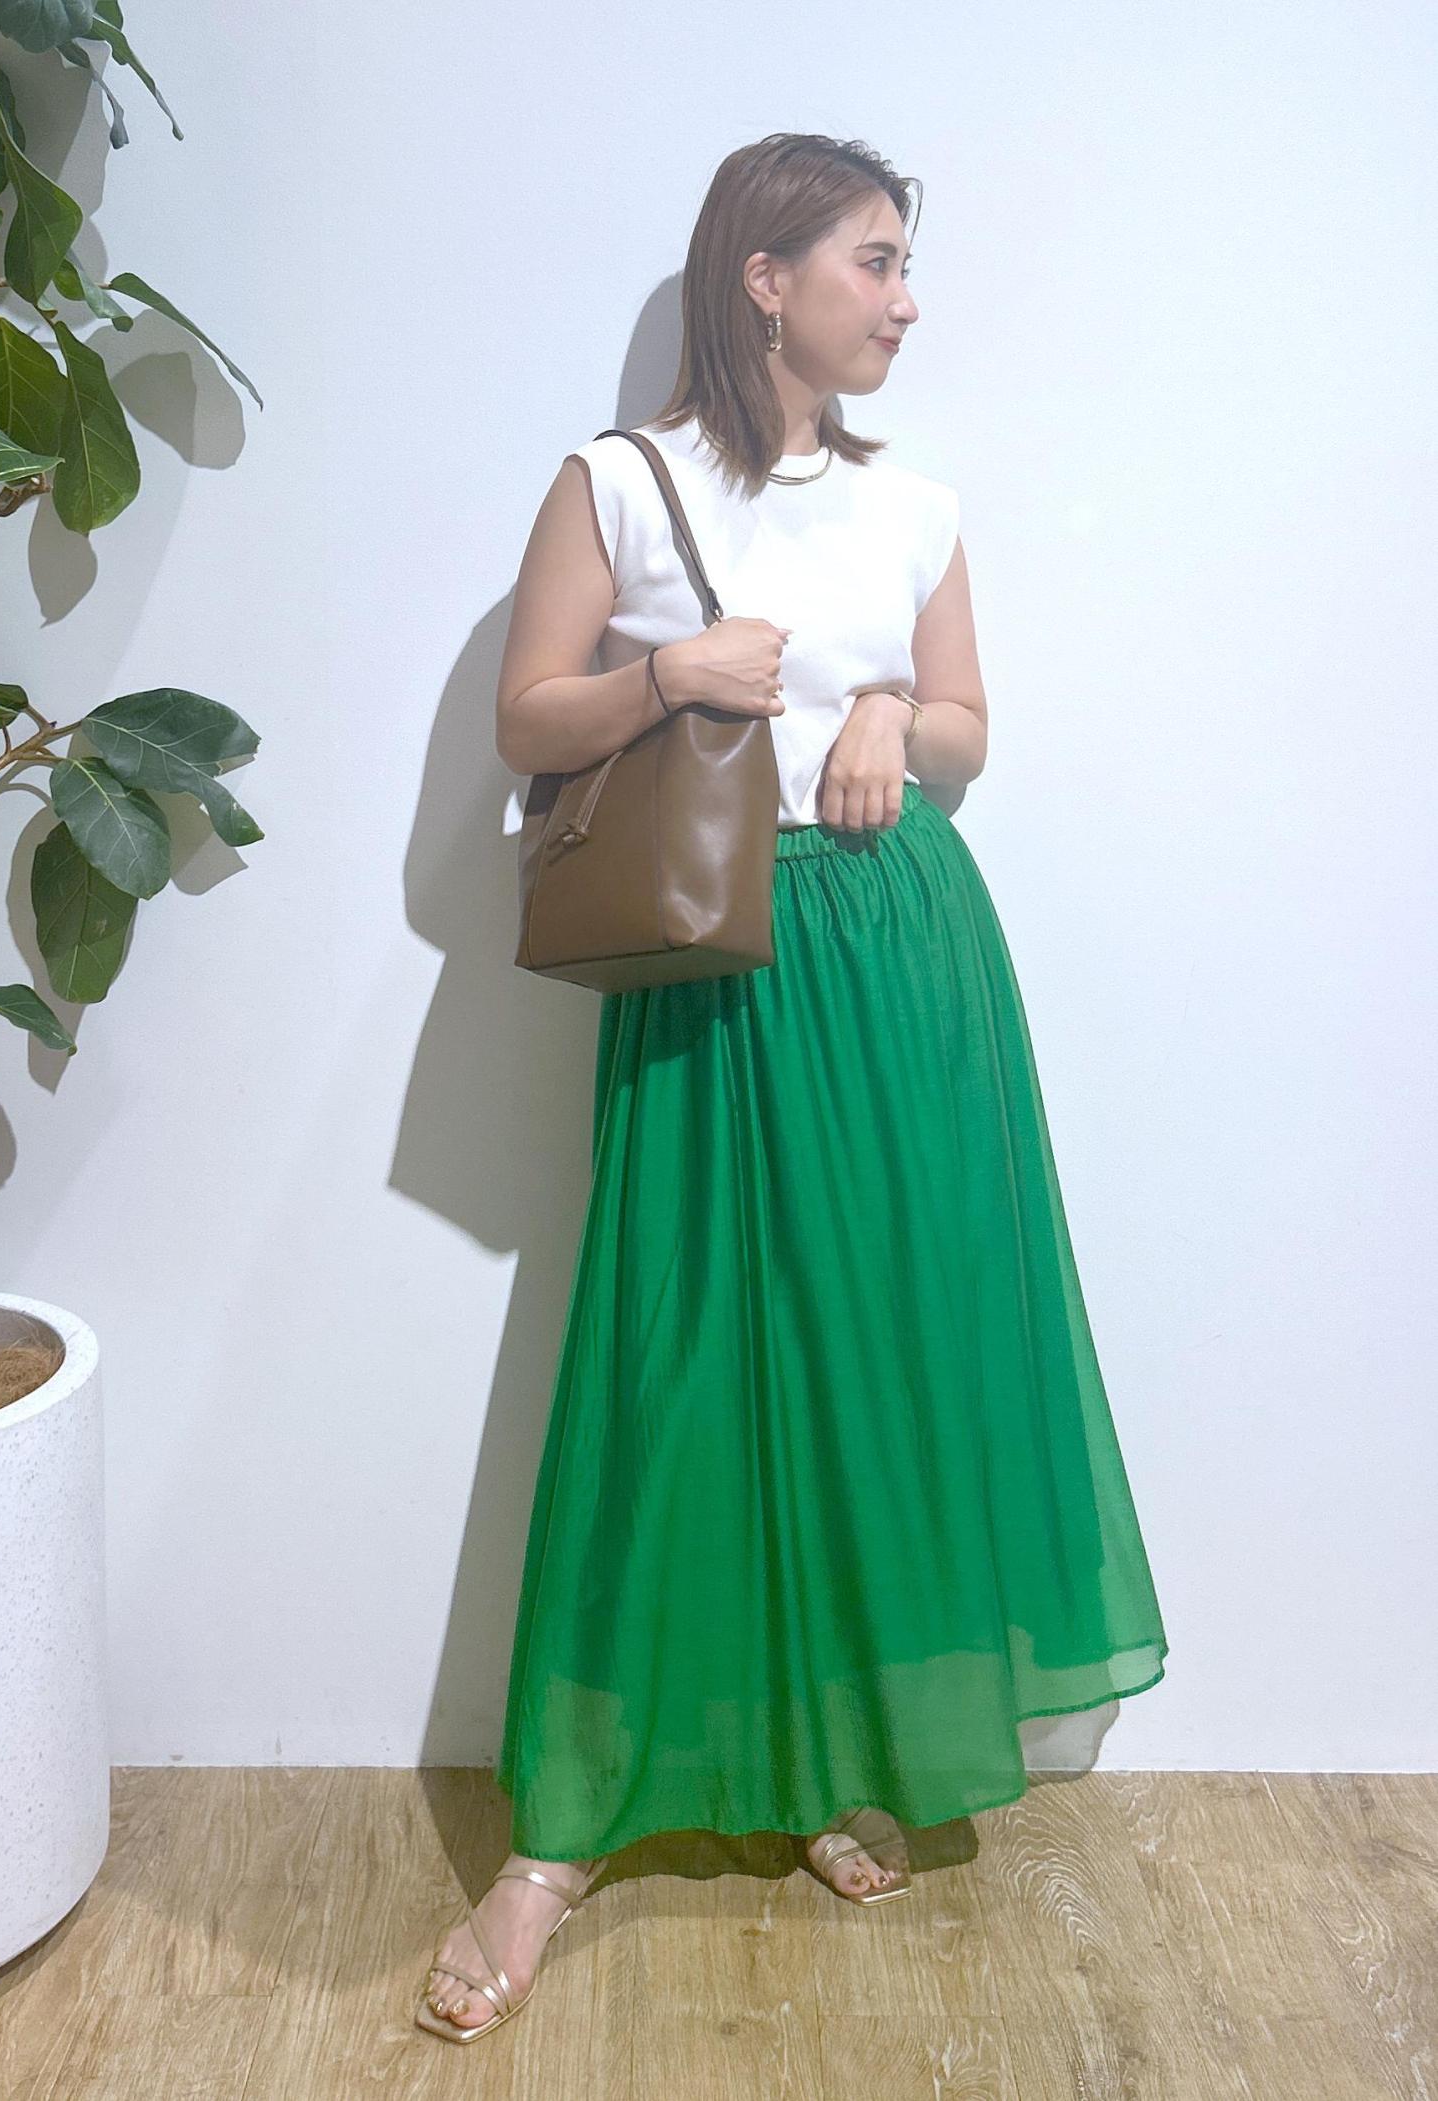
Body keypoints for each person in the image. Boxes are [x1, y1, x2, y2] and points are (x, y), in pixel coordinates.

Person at [418, 130, 1169, 2044]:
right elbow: (525, 713)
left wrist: (895, 708)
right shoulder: (620, 479)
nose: (906, 299)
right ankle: (558, 1834)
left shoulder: (914, 506)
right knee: (674, 1361)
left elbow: (971, 727)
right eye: (876, 259)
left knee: (884, 1352)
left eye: (904, 265)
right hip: (717, 960)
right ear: (766, 275)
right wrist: (672, 680)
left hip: (903, 954)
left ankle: (843, 1755)